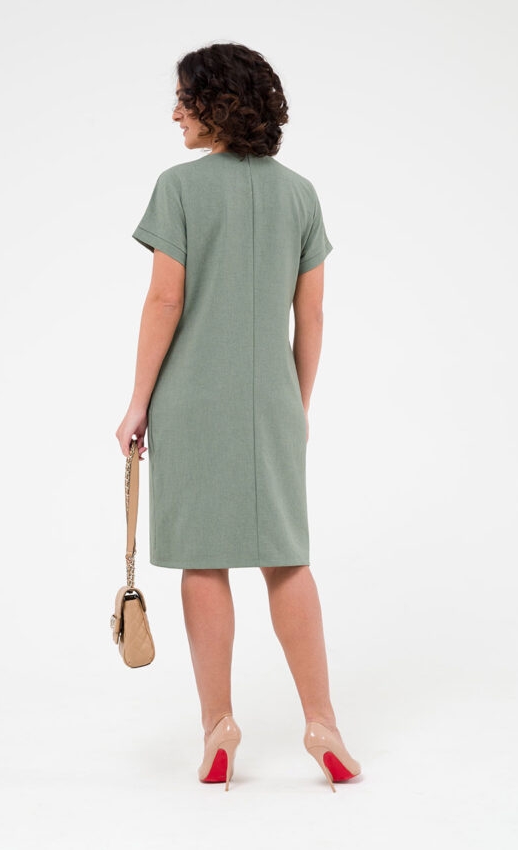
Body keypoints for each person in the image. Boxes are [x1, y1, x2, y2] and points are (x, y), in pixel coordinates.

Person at [115, 42, 361, 792]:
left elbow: (165, 299)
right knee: (287, 559)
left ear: (215, 103)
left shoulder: (179, 188)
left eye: (184, 98)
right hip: (273, 401)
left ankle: (218, 725)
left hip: (191, 399)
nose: (175, 113)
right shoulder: (301, 195)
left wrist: (137, 401)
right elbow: (311, 315)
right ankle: (322, 722)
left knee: (204, 559)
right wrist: (297, 403)